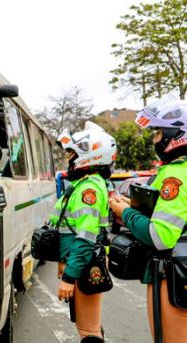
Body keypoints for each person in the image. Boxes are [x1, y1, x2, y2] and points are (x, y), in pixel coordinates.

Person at [109, 100, 187, 343]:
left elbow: (160, 237)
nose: (155, 139)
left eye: (158, 132)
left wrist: (126, 213)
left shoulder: (176, 174)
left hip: (175, 274)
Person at [51, 121, 116, 343]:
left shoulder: (89, 189)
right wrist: (64, 262)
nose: (68, 158)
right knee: (87, 326)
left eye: (71, 153)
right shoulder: (85, 184)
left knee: (89, 332)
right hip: (81, 262)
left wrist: (69, 278)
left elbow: (86, 239)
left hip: (86, 263)